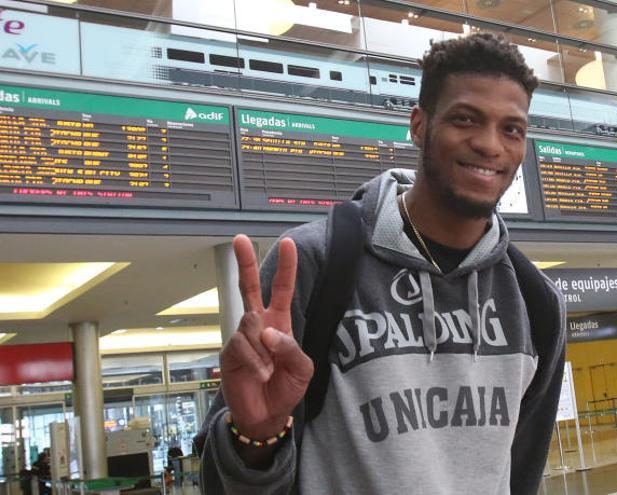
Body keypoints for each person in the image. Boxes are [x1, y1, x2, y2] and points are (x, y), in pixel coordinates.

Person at [196, 33, 566, 495]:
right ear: (418, 125)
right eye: (465, 119)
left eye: (512, 129)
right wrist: (257, 437)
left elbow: (521, 472)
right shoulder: (316, 262)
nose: (491, 145)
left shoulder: (536, 302)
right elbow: (230, 474)